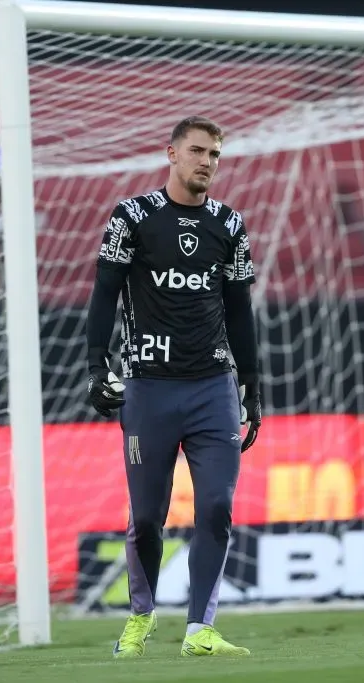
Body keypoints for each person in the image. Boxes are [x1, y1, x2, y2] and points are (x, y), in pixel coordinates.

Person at [85, 116, 261, 657]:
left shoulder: (229, 225)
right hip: (149, 388)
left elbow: (239, 310)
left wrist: (252, 387)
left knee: (216, 507)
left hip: (213, 388)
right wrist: (97, 366)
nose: (207, 161)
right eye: (198, 151)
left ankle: (200, 629)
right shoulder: (133, 217)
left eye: (215, 154)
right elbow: (104, 292)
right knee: (145, 517)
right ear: (172, 153)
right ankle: (141, 616)